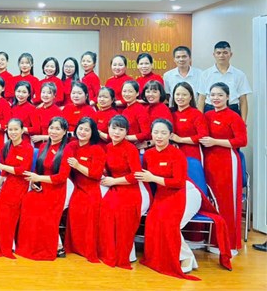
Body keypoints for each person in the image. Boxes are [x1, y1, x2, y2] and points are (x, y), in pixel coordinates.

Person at [136, 119, 202, 280]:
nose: (159, 136)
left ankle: (187, 257)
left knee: (170, 223)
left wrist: (153, 177)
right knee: (153, 221)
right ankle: (161, 256)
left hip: (185, 192)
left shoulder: (177, 154)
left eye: (163, 133)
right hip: (163, 194)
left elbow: (178, 182)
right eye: (156, 132)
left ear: (170, 135)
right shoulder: (149, 154)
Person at [16, 117, 72, 261]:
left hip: (57, 189)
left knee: (43, 213)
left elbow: (62, 177)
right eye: (51, 128)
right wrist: (35, 182)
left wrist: (39, 178)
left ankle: (51, 247)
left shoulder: (67, 150)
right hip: (42, 186)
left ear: (64, 131)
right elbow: (38, 169)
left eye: (58, 129)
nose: (53, 131)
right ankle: (30, 245)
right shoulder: (43, 146)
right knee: (28, 201)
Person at [201, 82, 247, 253]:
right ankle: (211, 240)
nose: (216, 98)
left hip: (227, 162)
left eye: (220, 95)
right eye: (212, 95)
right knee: (210, 201)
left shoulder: (234, 117)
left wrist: (215, 142)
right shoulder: (206, 115)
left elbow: (242, 141)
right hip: (208, 161)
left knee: (226, 202)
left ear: (228, 97)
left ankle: (228, 244)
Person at [99, 116, 148, 269]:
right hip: (116, 186)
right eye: (114, 128)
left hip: (132, 187)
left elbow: (135, 176)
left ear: (126, 132)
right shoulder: (107, 147)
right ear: (108, 129)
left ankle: (124, 254)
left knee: (121, 211)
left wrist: (114, 181)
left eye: (121, 129)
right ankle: (108, 251)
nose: (116, 132)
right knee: (104, 207)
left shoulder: (130, 149)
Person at [0, 118, 34, 258]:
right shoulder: (7, 146)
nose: (13, 132)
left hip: (21, 183)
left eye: (16, 129)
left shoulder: (28, 148)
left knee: (7, 211)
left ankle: (8, 244)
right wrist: (0, 180)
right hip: (9, 182)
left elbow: (22, 170)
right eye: (10, 129)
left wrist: (2, 167)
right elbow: (5, 168)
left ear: (22, 130)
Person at [64, 117, 106, 263]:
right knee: (74, 210)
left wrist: (78, 166)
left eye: (86, 130)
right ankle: (74, 246)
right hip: (76, 185)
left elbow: (96, 174)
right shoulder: (71, 145)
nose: (82, 132)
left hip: (92, 186)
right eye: (80, 128)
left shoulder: (97, 149)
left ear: (92, 132)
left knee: (90, 209)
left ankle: (88, 248)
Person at [198, 41, 252, 122]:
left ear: (231, 54)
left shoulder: (239, 74)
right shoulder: (205, 74)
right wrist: (199, 121)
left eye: (225, 53)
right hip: (210, 110)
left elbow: (243, 100)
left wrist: (243, 122)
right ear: (214, 55)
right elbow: (201, 99)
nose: (221, 55)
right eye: (218, 53)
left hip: (232, 109)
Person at [170, 82, 208, 160]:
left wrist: (180, 140)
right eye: (177, 94)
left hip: (192, 153)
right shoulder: (170, 113)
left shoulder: (196, 114)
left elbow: (203, 136)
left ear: (190, 97)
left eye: (184, 95)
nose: (180, 97)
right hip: (173, 153)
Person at [120, 80, 151, 150]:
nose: (126, 94)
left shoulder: (140, 110)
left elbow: (146, 133)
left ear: (137, 93)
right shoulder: (125, 110)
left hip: (137, 148)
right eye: (124, 91)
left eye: (130, 91)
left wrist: (125, 137)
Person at [10, 81, 40, 145]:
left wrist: (19, 129)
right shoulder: (12, 107)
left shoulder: (32, 109)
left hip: (25, 142)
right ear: (15, 92)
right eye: (18, 91)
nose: (20, 95)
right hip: (11, 141)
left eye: (24, 92)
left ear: (29, 94)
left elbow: (36, 129)